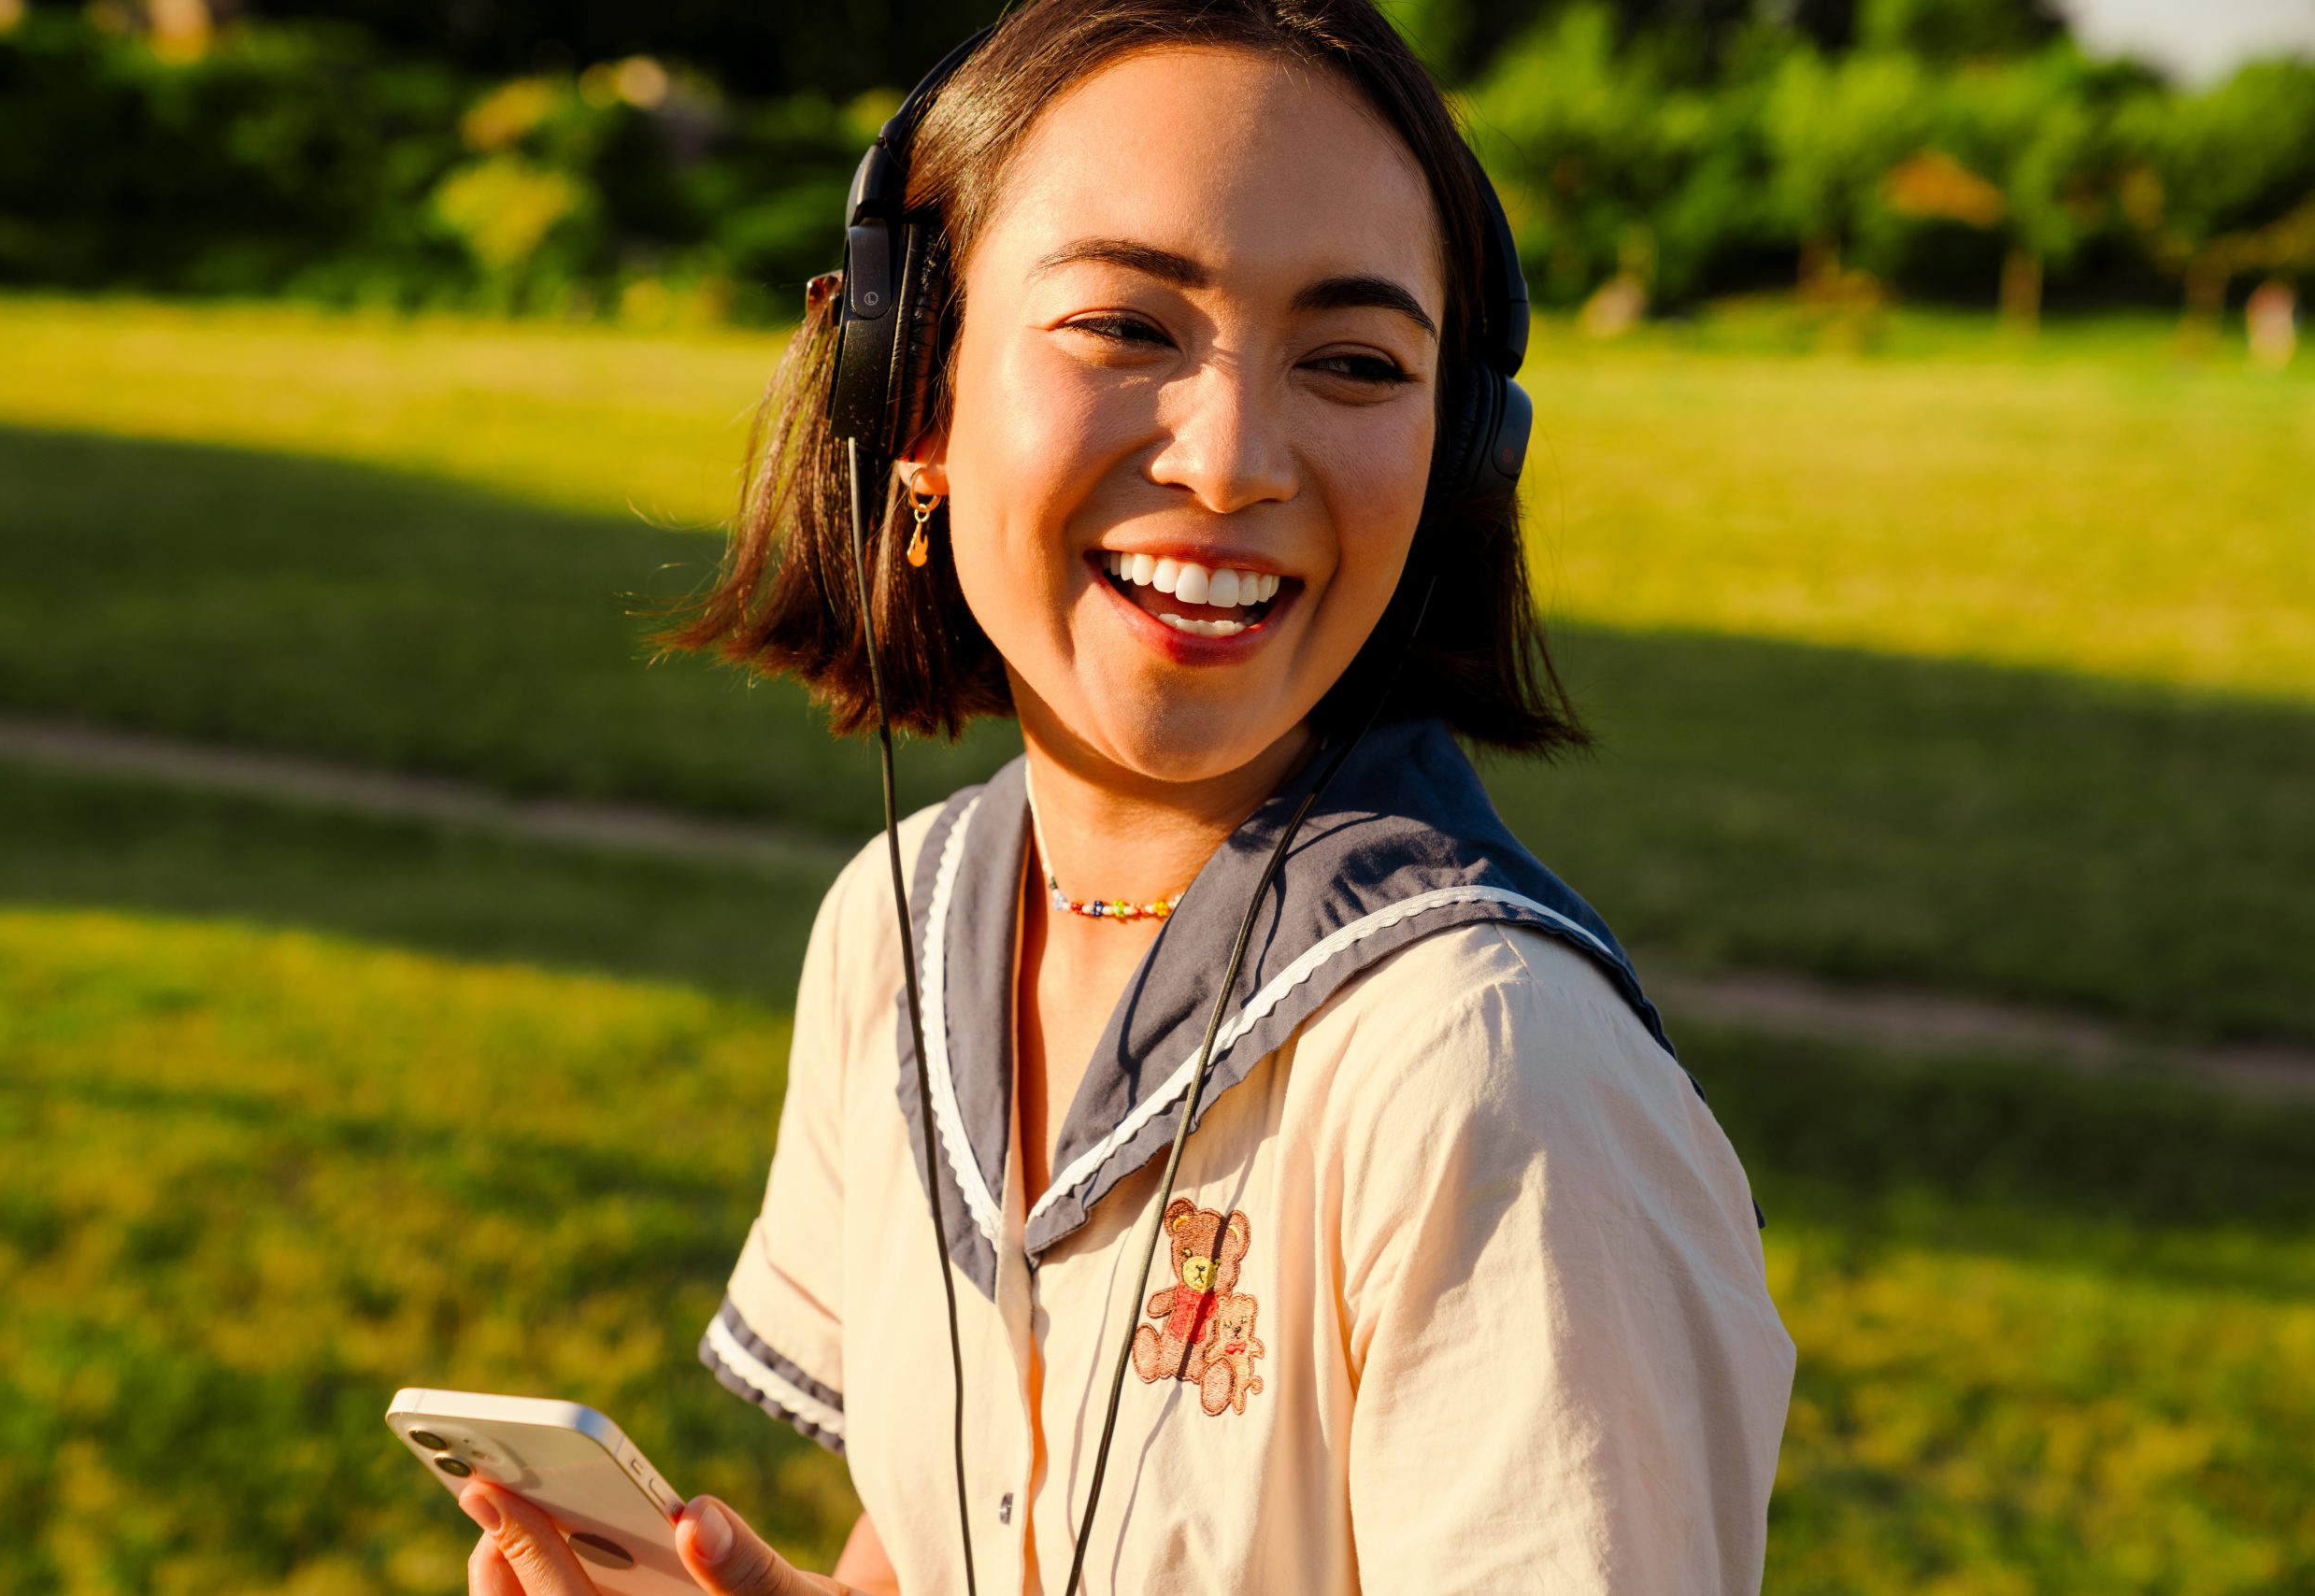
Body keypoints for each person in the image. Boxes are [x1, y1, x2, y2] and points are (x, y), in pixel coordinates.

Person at [457, 1, 1793, 1591]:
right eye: (1126, 327)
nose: (1232, 459)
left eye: (1356, 362)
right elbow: (947, 1538)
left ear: (1457, 463)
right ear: (915, 397)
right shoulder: (903, 927)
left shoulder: (1491, 1079)